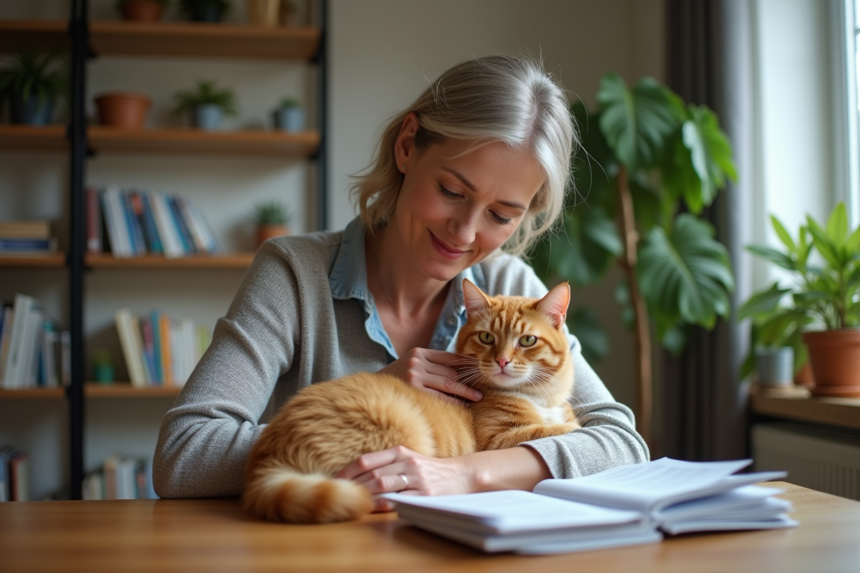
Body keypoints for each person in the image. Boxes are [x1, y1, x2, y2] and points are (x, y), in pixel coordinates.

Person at [153, 55, 649, 507]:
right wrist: (371, 394)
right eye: (452, 190)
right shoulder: (294, 273)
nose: (466, 231)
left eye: (501, 214)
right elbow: (183, 454)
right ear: (408, 145)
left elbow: (621, 442)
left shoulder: (509, 285)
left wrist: (465, 472)